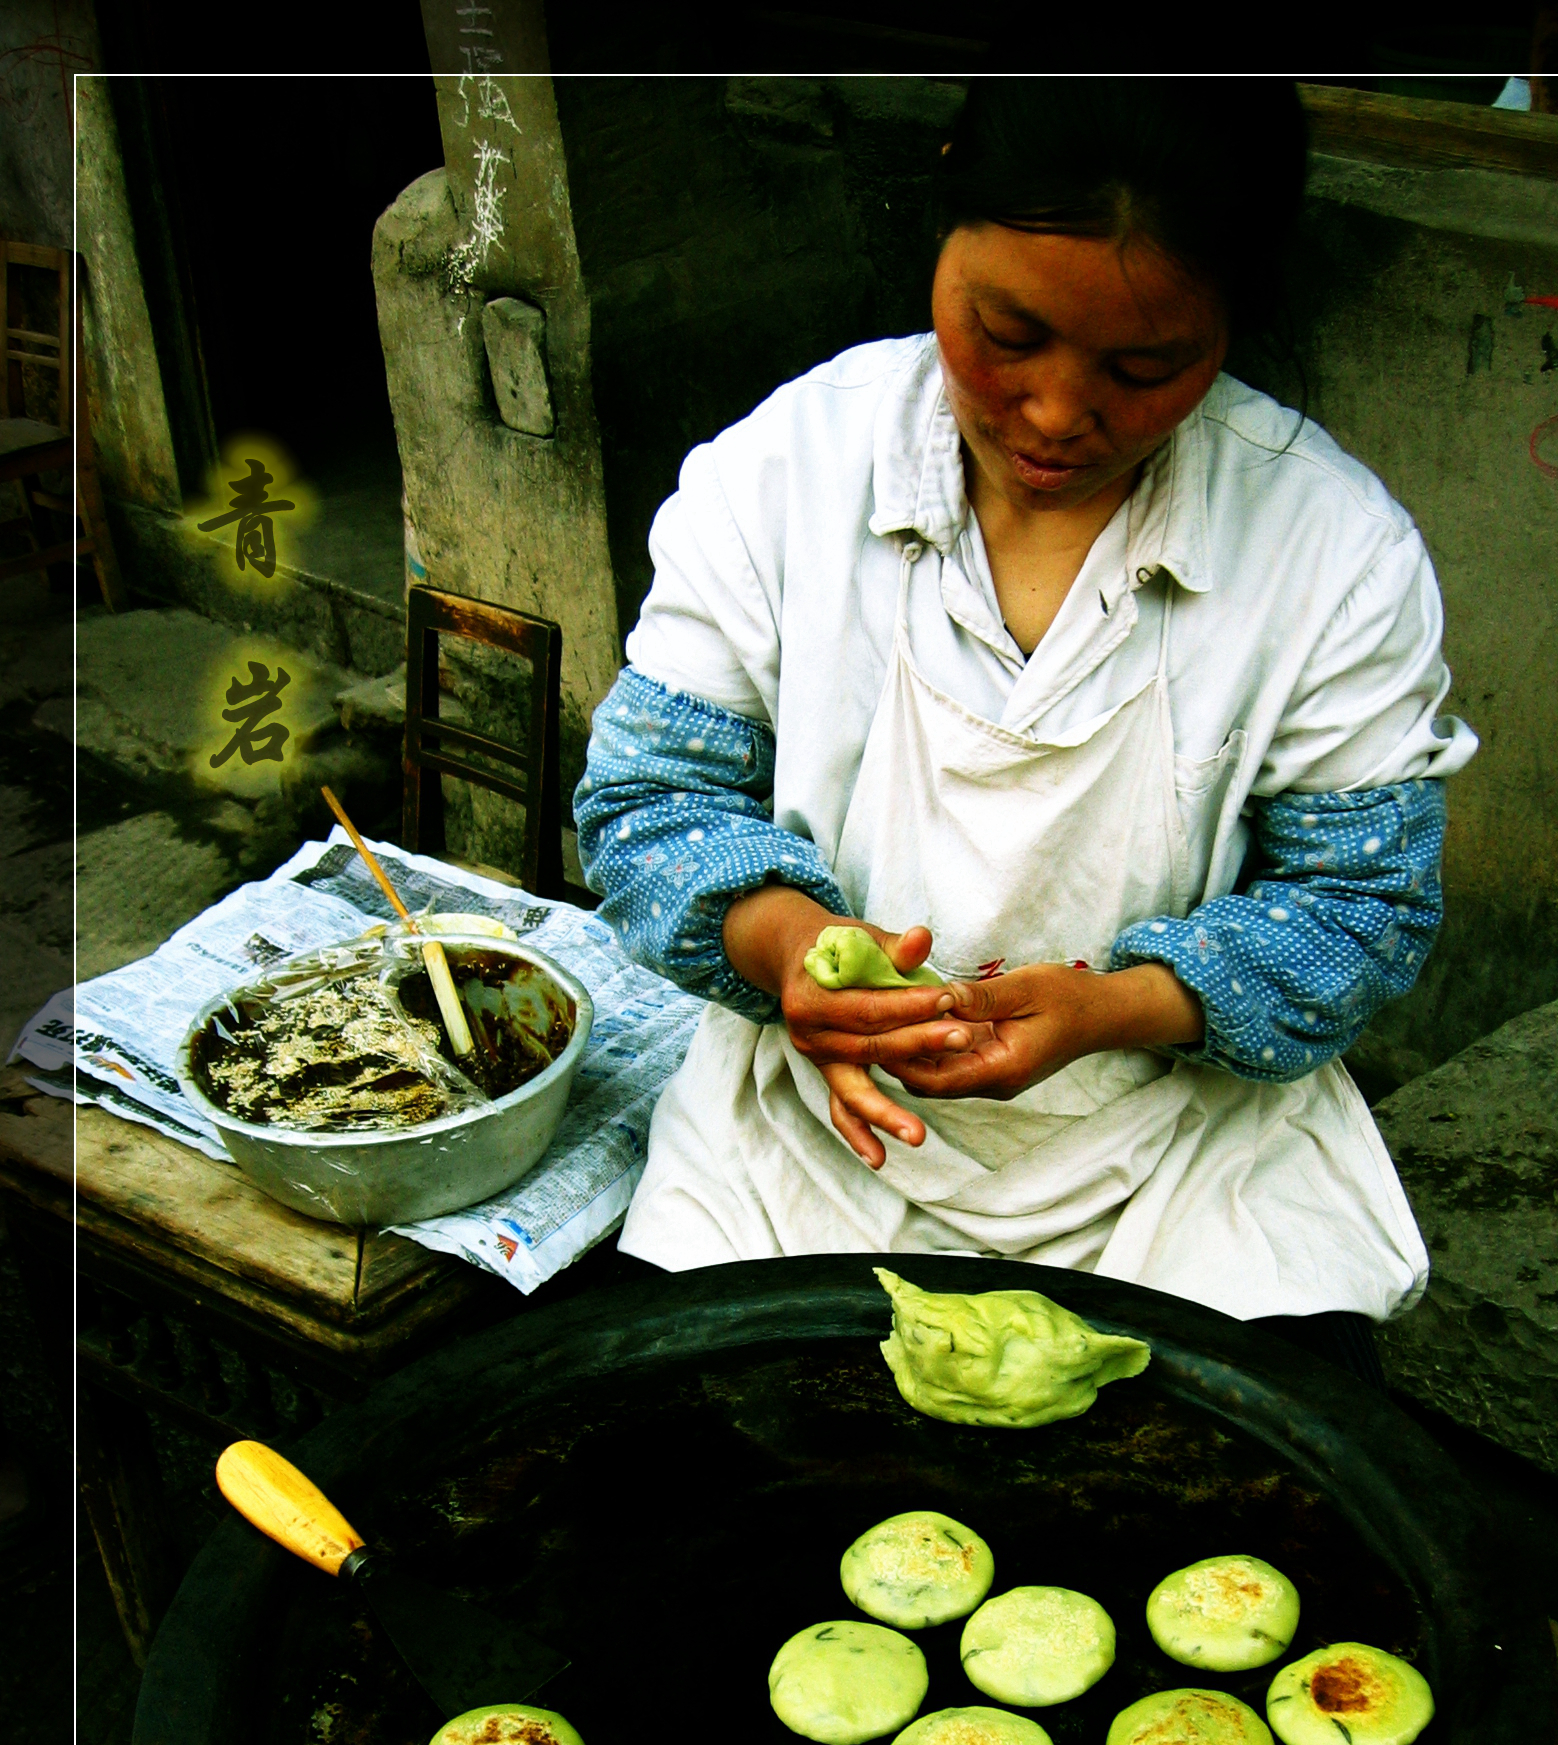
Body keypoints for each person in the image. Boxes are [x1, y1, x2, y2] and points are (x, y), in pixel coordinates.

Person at [573, 80, 1476, 1381]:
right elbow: (648, 803)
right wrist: (788, 950)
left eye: (1143, 367)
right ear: (945, 203)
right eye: (1006, 332)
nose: (1055, 414)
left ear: (1232, 315)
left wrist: (1112, 1006)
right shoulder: (785, 470)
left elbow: (1358, 908)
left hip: (1181, 1157)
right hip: (814, 1137)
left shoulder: (1331, 550)